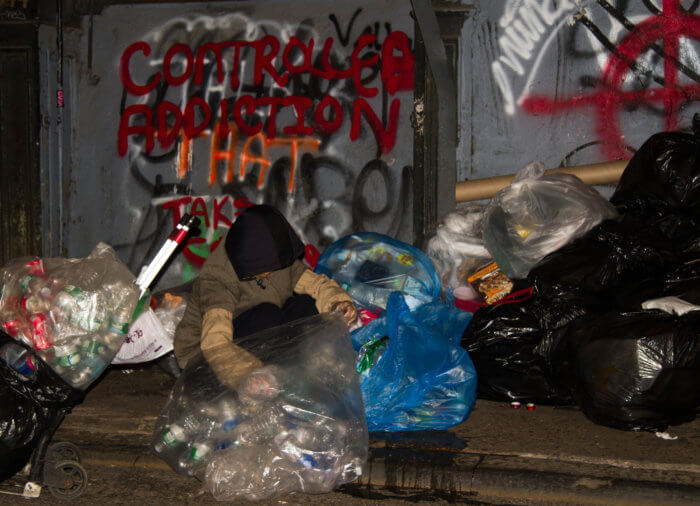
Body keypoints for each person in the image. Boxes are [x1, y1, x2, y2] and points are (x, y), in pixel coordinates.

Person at [173, 205, 357, 392]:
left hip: (256, 333)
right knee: (268, 315)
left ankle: (302, 371)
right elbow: (215, 341)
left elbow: (316, 285)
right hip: (205, 361)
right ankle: (275, 376)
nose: (270, 271)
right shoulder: (217, 280)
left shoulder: (273, 257)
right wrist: (248, 375)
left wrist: (338, 303)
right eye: (264, 266)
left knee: (306, 306)